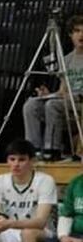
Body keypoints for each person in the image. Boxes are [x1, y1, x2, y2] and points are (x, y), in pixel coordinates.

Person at [22, 14, 83, 161]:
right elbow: (63, 90)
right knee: (32, 104)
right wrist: (49, 94)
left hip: (80, 102)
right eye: (77, 31)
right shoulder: (67, 59)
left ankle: (53, 150)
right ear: (70, 35)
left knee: (53, 105)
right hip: (66, 103)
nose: (81, 34)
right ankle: (33, 149)